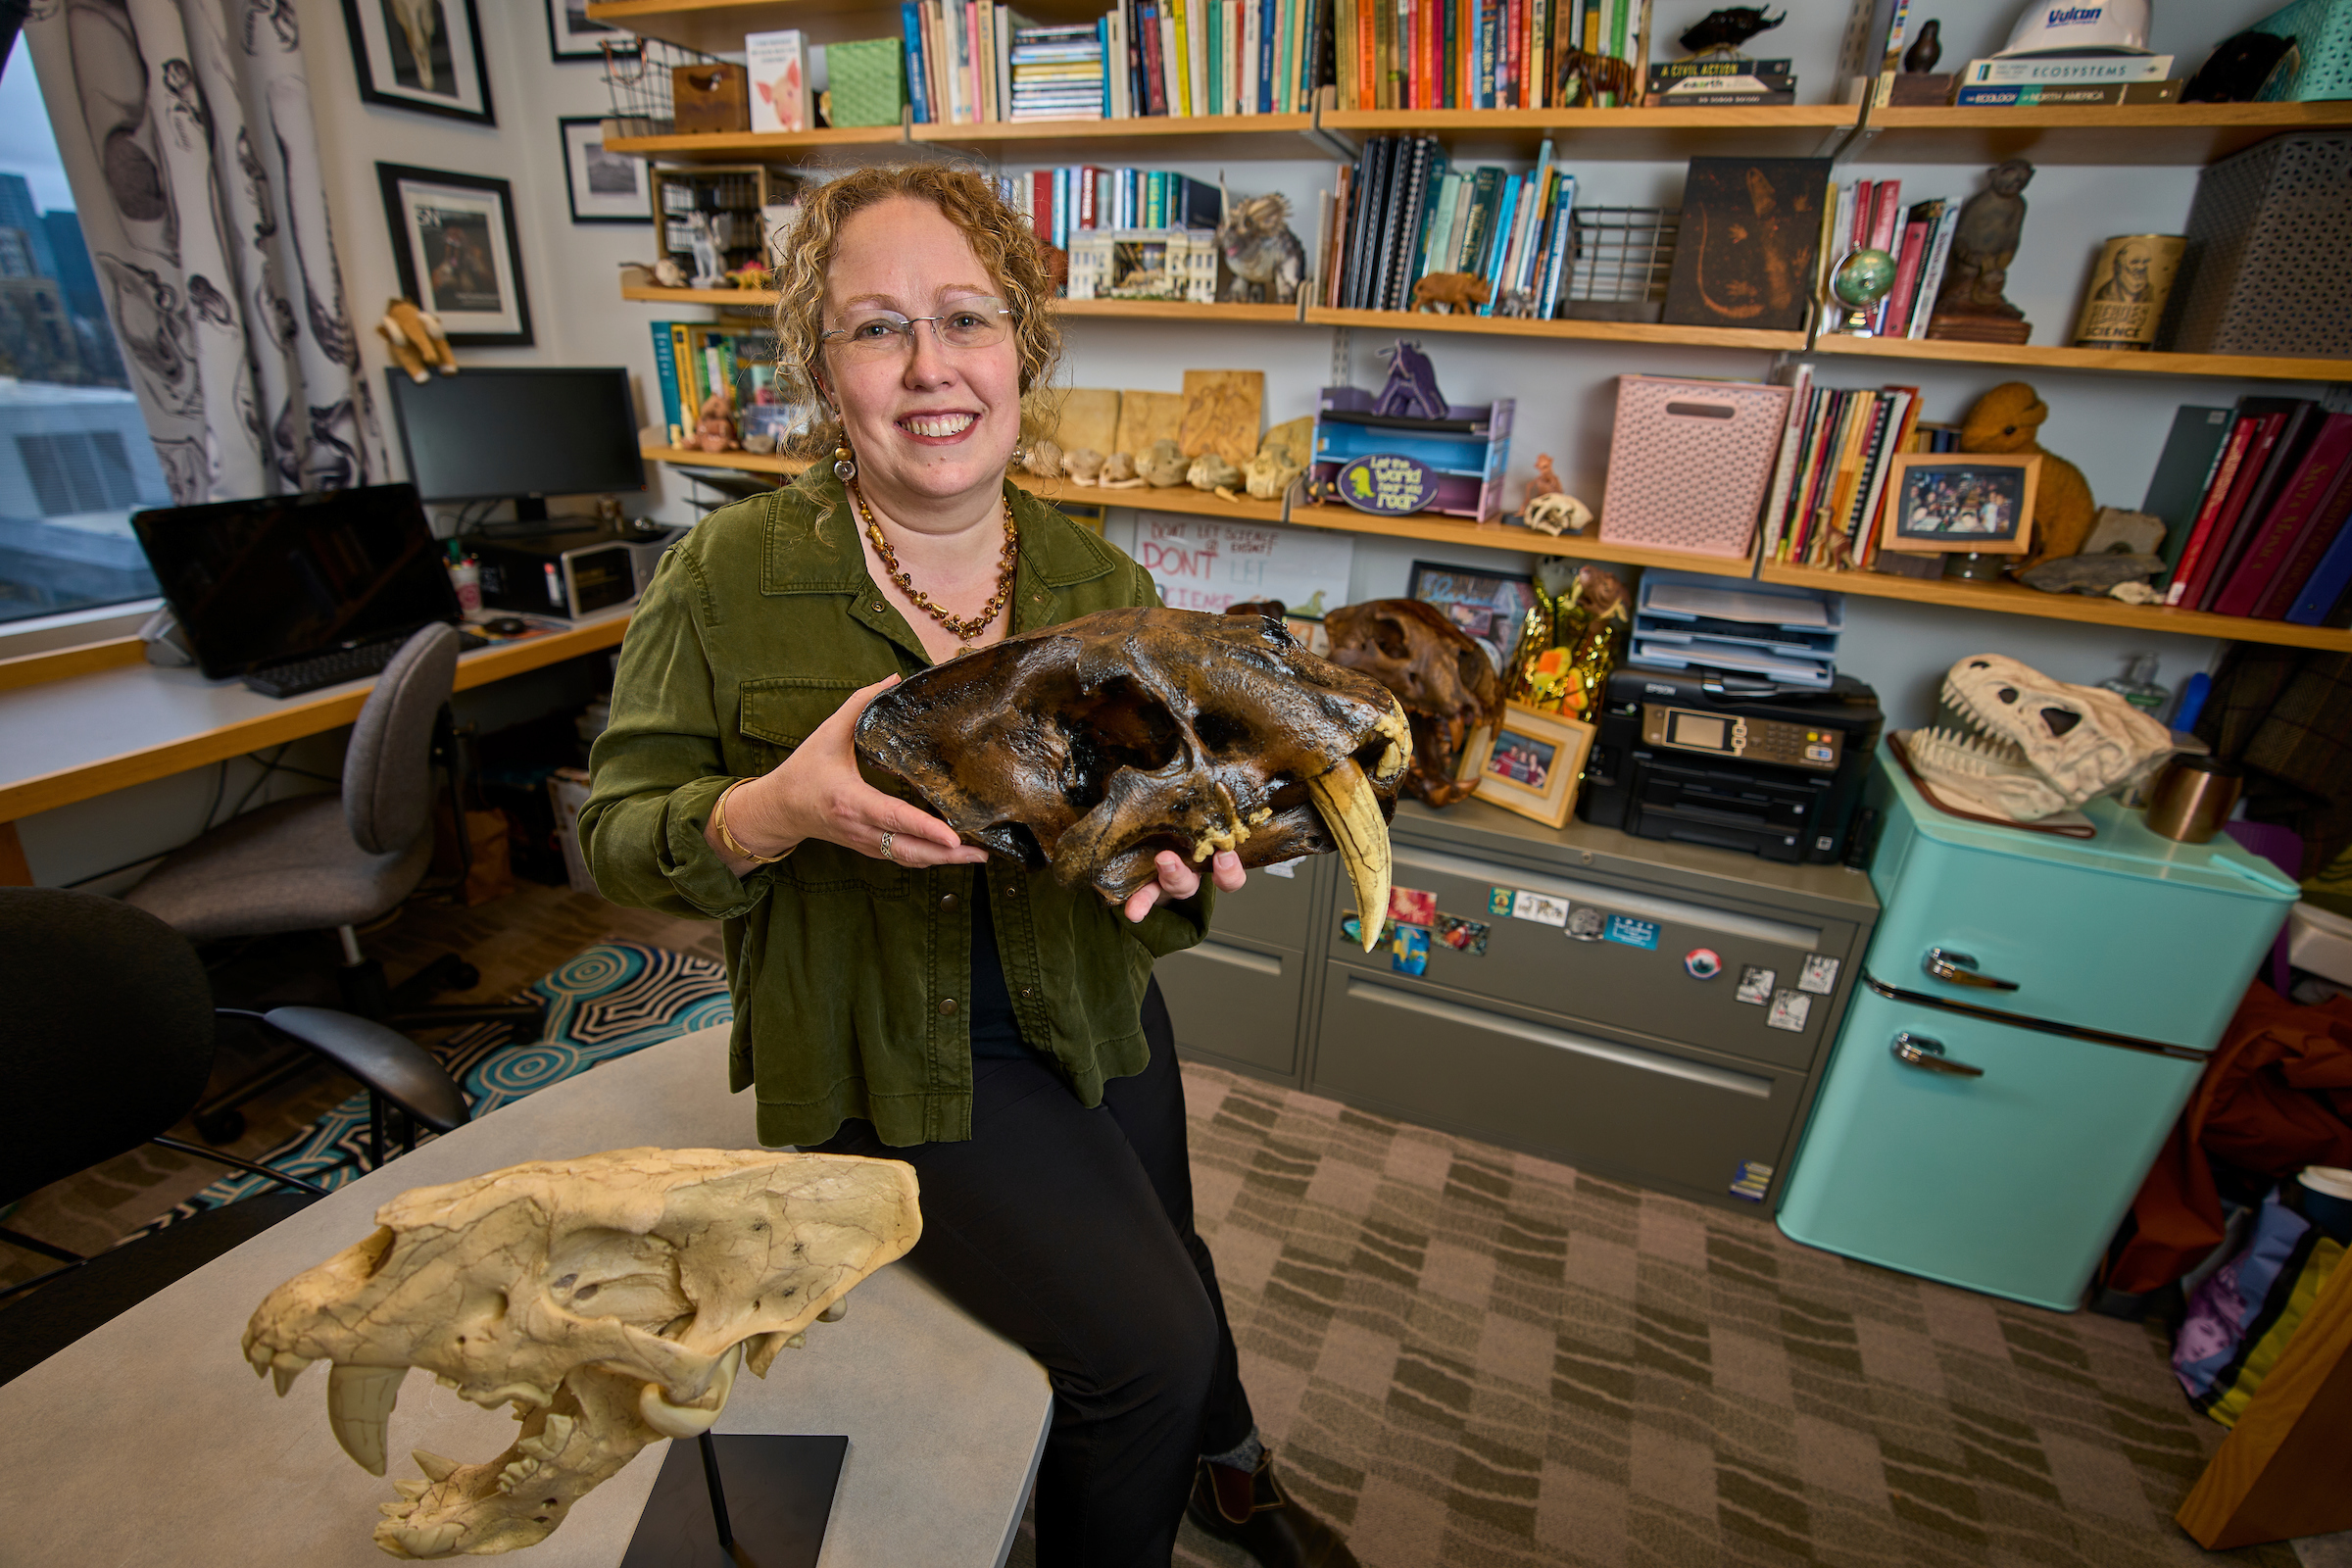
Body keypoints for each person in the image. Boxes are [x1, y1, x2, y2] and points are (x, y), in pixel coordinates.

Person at [580, 165, 1357, 1568]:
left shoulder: (1094, 583)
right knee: (1147, 1354)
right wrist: (772, 810)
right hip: (889, 1052)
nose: (929, 366)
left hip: (1090, 1006)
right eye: (877, 327)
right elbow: (616, 836)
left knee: (1172, 1247)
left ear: (1021, 348)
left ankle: (1229, 1470)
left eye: (965, 318)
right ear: (822, 366)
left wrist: (1175, 869)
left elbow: (1145, 868)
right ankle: (1182, 1457)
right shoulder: (723, 577)